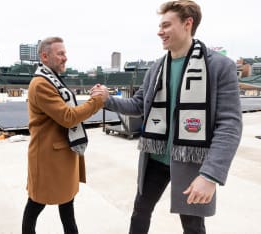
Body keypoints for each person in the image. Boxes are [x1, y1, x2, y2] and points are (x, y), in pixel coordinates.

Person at [92, 1, 242, 233]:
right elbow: (139, 104)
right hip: (156, 158)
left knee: (193, 226)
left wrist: (211, 175)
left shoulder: (220, 66)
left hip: (192, 161)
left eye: (166, 25)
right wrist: (106, 100)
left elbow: (230, 125)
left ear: (187, 24)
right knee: (139, 213)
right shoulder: (157, 68)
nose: (159, 31)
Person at [22, 37, 108, 233]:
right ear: (44, 56)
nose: (65, 58)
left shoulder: (51, 78)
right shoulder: (41, 84)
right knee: (36, 204)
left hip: (61, 155)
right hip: (48, 159)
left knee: (67, 207)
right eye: (60, 54)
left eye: (65, 53)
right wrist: (97, 101)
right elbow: (68, 117)